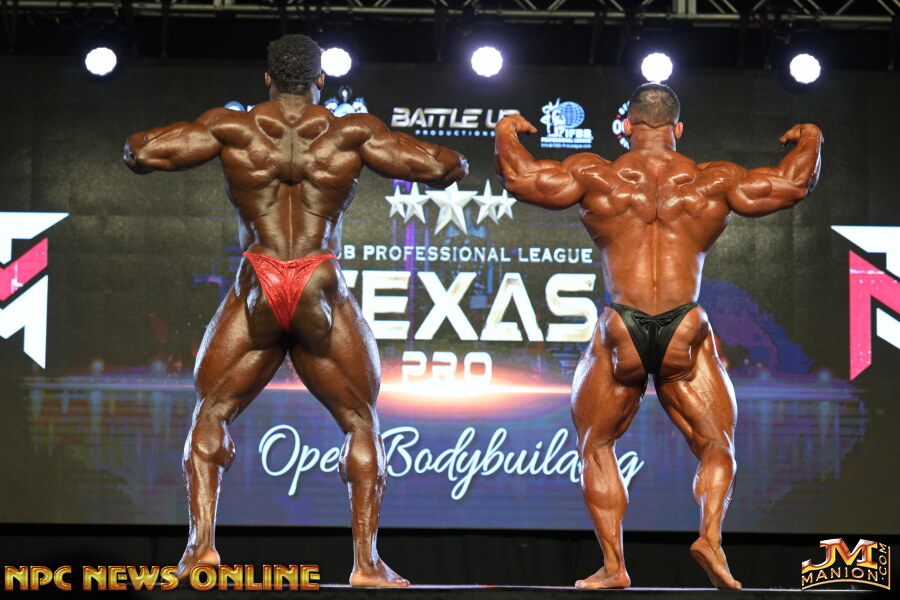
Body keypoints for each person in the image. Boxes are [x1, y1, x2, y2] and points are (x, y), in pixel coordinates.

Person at [123, 33, 468, 587]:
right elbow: (445, 166)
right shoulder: (352, 132)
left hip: (259, 278)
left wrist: (181, 139)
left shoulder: (230, 128)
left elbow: (140, 152)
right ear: (320, 79)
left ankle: (200, 550)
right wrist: (452, 160)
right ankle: (366, 565)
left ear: (267, 78)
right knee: (360, 420)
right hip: (318, 280)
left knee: (210, 412)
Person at [494, 83, 822, 590]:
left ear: (626, 126)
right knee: (717, 445)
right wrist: (812, 138)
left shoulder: (596, 174)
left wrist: (505, 132)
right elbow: (790, 185)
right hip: (684, 325)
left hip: (621, 327)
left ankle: (613, 566)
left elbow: (520, 179)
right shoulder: (713, 180)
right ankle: (710, 538)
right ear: (678, 129)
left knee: (596, 444)